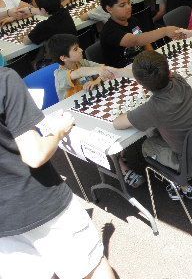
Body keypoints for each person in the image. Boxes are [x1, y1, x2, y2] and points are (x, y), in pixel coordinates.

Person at [0, 67, 116, 279]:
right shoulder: (4, 79)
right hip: (39, 201)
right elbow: (35, 155)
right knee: (92, 267)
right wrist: (59, 130)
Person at [110, 50, 192, 200]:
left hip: (191, 160)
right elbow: (160, 73)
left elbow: (117, 123)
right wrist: (120, 72)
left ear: (139, 83)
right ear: (169, 71)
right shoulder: (179, 79)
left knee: (147, 145)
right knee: (157, 129)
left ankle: (180, 183)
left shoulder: (152, 108)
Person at [99, 0, 178, 68]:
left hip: (141, 65)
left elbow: (143, 40)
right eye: (122, 5)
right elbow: (136, 40)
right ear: (109, 9)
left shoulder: (132, 20)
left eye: (129, 2)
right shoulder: (109, 31)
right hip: (122, 73)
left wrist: (154, 57)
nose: (129, 7)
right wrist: (165, 31)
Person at [46, 33, 107, 100]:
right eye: (75, 49)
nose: (81, 50)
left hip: (91, 98)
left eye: (78, 47)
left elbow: (105, 69)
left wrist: (96, 81)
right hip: (71, 105)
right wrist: (99, 70)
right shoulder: (60, 75)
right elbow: (79, 72)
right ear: (63, 58)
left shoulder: (81, 62)